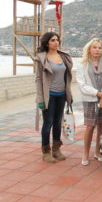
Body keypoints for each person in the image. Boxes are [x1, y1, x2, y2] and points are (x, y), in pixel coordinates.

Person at [35, 32, 73, 163]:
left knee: (57, 123)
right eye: (53, 40)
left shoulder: (63, 56)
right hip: (49, 95)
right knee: (48, 123)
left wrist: (69, 94)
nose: (56, 42)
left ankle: (56, 149)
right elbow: (38, 80)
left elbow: (67, 77)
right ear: (47, 43)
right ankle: (46, 151)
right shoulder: (41, 58)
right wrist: (40, 100)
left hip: (61, 95)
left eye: (57, 40)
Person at [77, 38, 102, 166]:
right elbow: (82, 85)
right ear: (89, 49)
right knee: (90, 126)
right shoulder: (82, 65)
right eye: (94, 47)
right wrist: (97, 94)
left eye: (99, 47)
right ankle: (85, 153)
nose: (97, 50)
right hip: (91, 99)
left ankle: (97, 152)